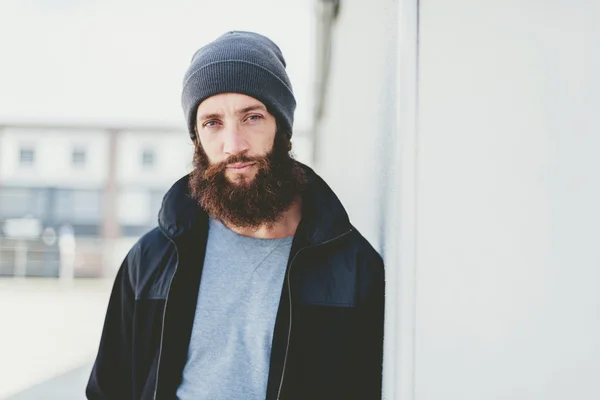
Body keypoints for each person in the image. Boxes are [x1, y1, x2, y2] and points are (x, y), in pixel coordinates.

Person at [86, 31, 385, 400]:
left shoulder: (353, 267)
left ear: (282, 128)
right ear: (197, 138)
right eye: (213, 122)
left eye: (252, 117)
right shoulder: (151, 260)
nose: (234, 145)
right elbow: (109, 390)